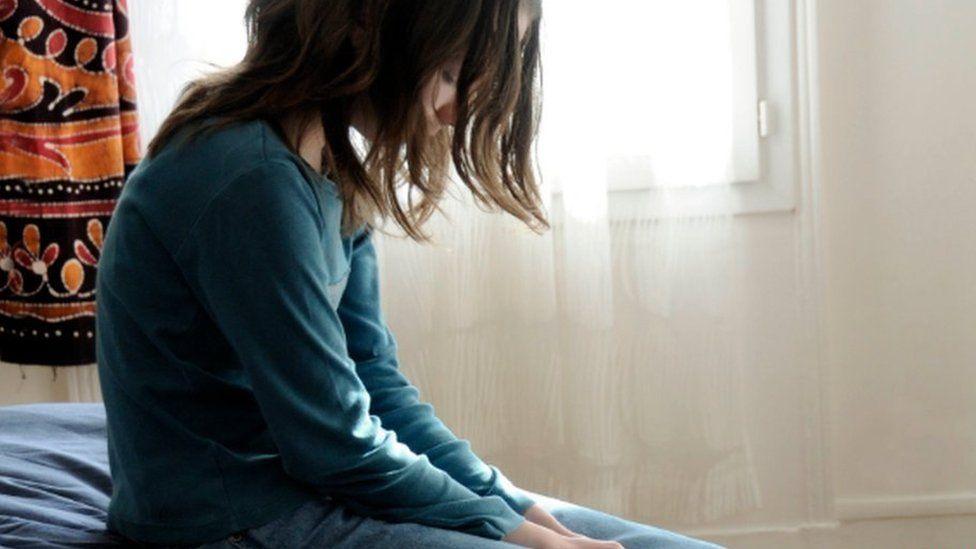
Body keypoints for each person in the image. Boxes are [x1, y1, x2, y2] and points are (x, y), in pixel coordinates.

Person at [95, 1, 725, 548]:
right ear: (369, 21)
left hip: (306, 489)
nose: (452, 113)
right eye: (449, 73)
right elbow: (334, 443)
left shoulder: (329, 165)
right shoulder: (250, 179)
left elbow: (374, 383)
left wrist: (512, 505)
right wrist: (518, 533)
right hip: (229, 517)